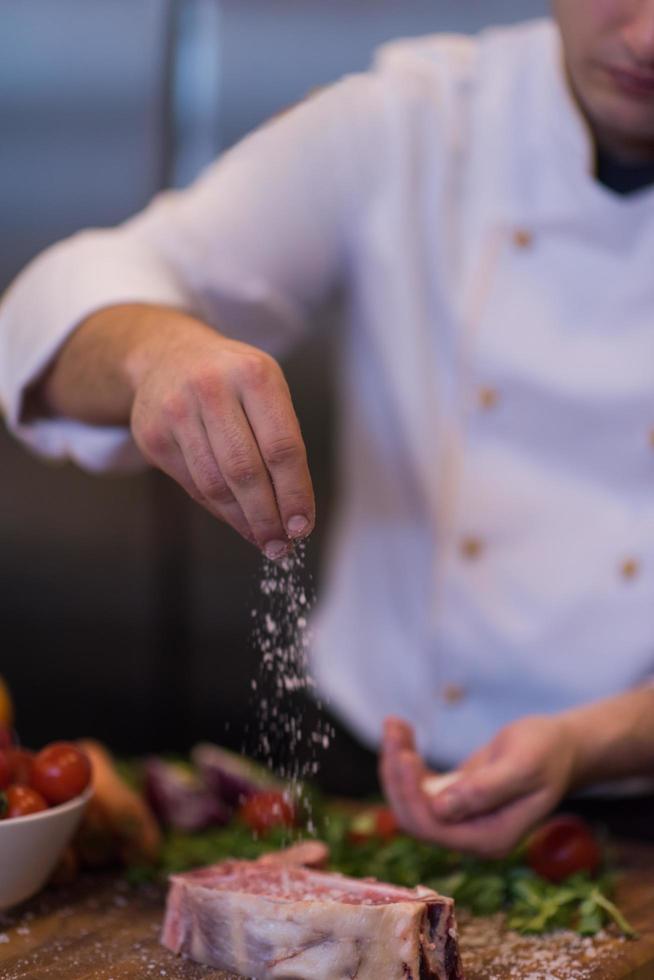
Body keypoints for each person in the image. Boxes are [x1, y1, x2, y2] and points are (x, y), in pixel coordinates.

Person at [2, 2, 654, 857]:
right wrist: (154, 351)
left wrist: (594, 740)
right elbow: (57, 303)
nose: (648, 37)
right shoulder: (416, 117)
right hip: (368, 769)